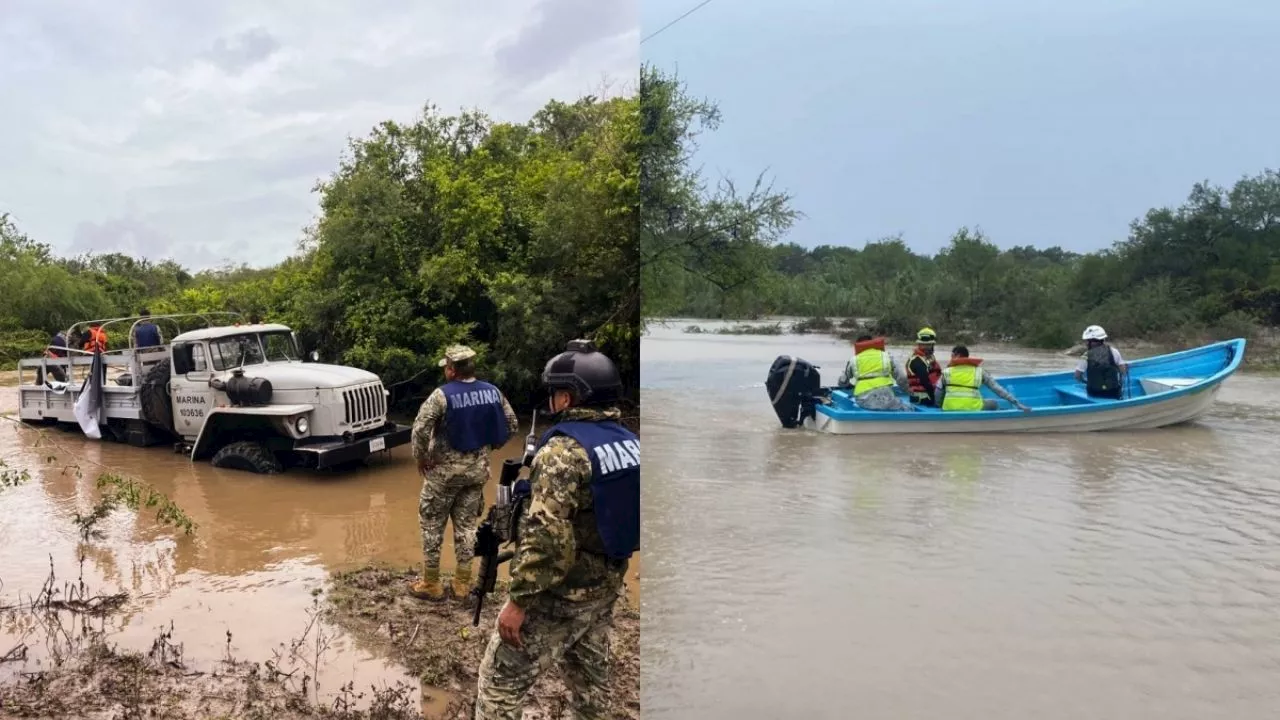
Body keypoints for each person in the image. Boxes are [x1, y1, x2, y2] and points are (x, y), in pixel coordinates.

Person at [474, 339, 639, 720]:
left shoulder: (563, 452)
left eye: (556, 392)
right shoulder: (631, 444)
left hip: (559, 594)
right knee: (592, 687)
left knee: (498, 683)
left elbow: (548, 541)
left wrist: (519, 602)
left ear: (569, 398)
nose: (552, 400)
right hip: (605, 585)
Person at [410, 345, 518, 602]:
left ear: (451, 370)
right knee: (467, 527)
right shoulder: (493, 392)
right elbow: (512, 424)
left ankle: (432, 583)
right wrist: (490, 447)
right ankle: (462, 585)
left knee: (432, 525)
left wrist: (421, 458)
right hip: (476, 473)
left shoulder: (441, 396)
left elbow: (420, 429)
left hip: (442, 476)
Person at [937, 345, 1031, 412]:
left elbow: (937, 394)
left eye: (952, 356)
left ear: (956, 356)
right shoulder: (979, 371)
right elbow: (997, 389)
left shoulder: (946, 372)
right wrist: (1016, 403)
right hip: (973, 408)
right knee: (994, 403)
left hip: (949, 408)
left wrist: (941, 407)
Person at [836, 334, 915, 411]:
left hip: (864, 401)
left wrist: (849, 385)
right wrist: (911, 393)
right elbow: (902, 378)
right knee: (908, 408)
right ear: (872, 343)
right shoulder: (887, 356)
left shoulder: (853, 360)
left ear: (858, 346)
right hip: (887, 398)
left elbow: (842, 382)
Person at [1074, 324, 1127, 399]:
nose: (1086, 343)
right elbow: (1123, 371)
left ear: (1093, 342)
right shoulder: (1114, 351)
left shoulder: (1085, 355)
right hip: (1113, 391)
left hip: (1094, 392)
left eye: (1088, 341)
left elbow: (1077, 376)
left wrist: (1086, 382)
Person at [906, 327, 942, 407]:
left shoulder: (929, 358)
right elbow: (925, 382)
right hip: (923, 399)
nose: (931, 347)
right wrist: (934, 399)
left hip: (928, 396)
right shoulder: (917, 360)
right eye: (930, 345)